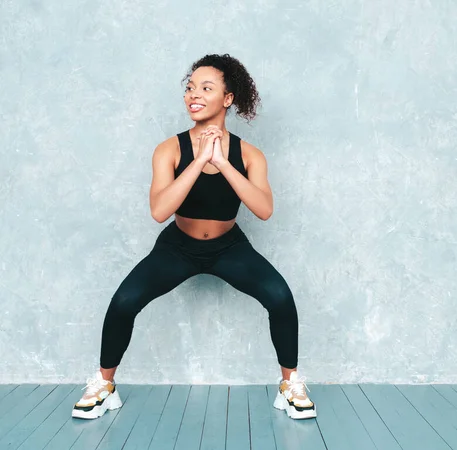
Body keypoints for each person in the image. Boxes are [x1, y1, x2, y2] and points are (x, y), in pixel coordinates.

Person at [72, 54, 316, 421]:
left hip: (228, 247)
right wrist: (199, 161)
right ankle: (104, 386)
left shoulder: (249, 155)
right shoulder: (169, 150)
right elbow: (159, 211)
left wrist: (223, 164)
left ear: (228, 98)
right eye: (189, 88)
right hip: (178, 247)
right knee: (124, 301)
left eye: (206, 87)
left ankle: (290, 385)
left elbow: (264, 209)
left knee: (280, 297)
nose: (193, 95)